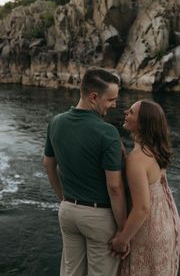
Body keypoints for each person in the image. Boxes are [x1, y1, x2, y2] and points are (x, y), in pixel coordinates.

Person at [43, 67, 127, 276]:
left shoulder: (56, 122)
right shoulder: (108, 132)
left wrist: (63, 198)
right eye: (111, 100)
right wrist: (124, 231)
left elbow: (48, 164)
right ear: (93, 97)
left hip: (68, 212)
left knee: (70, 272)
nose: (114, 105)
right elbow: (115, 187)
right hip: (98, 217)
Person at [110, 99, 180, 276]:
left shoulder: (138, 158)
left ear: (142, 124)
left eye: (132, 112)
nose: (126, 112)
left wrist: (122, 239)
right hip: (167, 222)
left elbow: (142, 207)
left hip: (149, 229)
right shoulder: (155, 150)